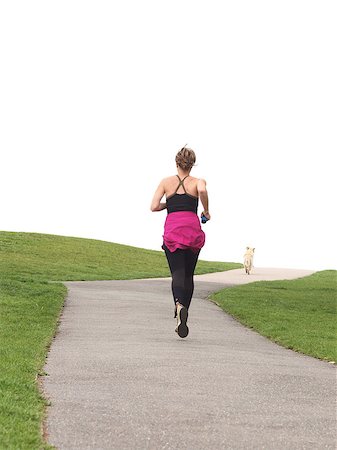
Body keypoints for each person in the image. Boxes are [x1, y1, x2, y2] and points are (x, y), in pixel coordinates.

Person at [150, 146, 211, 338]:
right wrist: (206, 210)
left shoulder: (166, 182)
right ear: (192, 164)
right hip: (192, 229)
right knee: (189, 275)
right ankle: (184, 312)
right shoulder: (198, 181)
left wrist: (171, 203)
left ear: (176, 163)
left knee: (177, 272)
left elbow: (153, 206)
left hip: (173, 230)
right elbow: (201, 190)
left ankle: (178, 306)